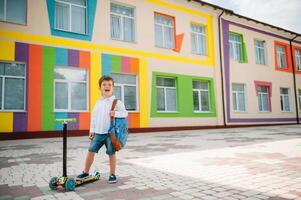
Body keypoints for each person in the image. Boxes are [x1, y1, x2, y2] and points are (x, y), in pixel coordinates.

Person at [76, 75, 128, 183]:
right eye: (104, 84)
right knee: (91, 151)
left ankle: (112, 174)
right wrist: (92, 130)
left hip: (110, 134)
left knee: (111, 153)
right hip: (98, 133)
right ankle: (85, 172)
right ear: (100, 88)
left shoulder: (117, 102)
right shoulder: (98, 102)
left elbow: (125, 113)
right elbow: (94, 118)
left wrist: (116, 113)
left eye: (109, 84)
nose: (107, 86)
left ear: (113, 88)